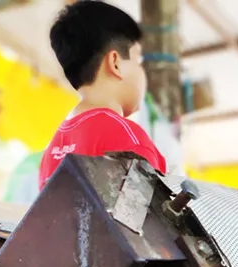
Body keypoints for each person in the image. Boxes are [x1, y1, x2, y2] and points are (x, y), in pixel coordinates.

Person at [39, 0, 167, 190]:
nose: (142, 72)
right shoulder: (128, 138)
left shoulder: (51, 151)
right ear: (115, 63)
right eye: (138, 60)